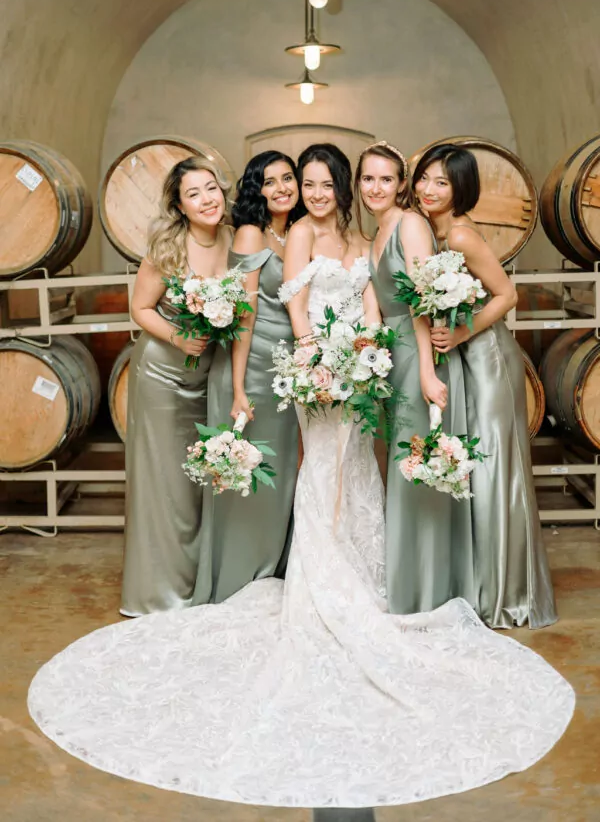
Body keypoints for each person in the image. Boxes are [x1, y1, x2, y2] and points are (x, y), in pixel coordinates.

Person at [27, 146, 573, 811]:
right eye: (303, 182)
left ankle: (365, 573)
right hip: (316, 370)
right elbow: (294, 305)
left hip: (363, 366)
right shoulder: (298, 240)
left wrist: (367, 352)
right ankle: (321, 581)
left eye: (323, 183)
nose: (314, 192)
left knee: (358, 472)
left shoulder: (365, 236)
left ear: (343, 187)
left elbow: (373, 298)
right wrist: (319, 359)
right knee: (321, 473)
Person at [413, 142, 557, 629]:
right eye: (425, 178)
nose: (429, 189)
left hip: (488, 358)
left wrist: (461, 333)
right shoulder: (428, 230)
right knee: (471, 466)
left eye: (442, 182)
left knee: (495, 468)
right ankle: (477, 584)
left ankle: (508, 594)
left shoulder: (459, 235)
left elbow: (507, 294)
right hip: (462, 359)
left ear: (461, 189)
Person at [356, 140, 474, 614]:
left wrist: (426, 372)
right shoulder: (376, 233)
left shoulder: (410, 224)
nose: (376, 187)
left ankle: (427, 589)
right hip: (392, 356)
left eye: (386, 179)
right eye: (368, 178)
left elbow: (421, 302)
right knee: (402, 465)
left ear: (401, 184)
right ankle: (407, 581)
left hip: (416, 353)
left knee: (416, 462)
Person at [120, 155, 232, 616]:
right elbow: (139, 309)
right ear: (180, 206)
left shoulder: (235, 239)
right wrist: (178, 336)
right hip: (163, 374)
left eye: (211, 189)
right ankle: (159, 592)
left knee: (202, 479)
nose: (207, 200)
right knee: (164, 480)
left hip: (210, 375)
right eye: (193, 194)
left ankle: (198, 582)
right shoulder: (168, 248)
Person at [192, 151, 303, 604]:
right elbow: (245, 314)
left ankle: (271, 573)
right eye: (269, 181)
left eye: (288, 178)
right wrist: (237, 388)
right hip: (251, 367)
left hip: (286, 372)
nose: (282, 188)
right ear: (256, 190)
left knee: (279, 478)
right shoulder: (250, 232)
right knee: (247, 477)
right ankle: (238, 581)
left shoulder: (296, 232)